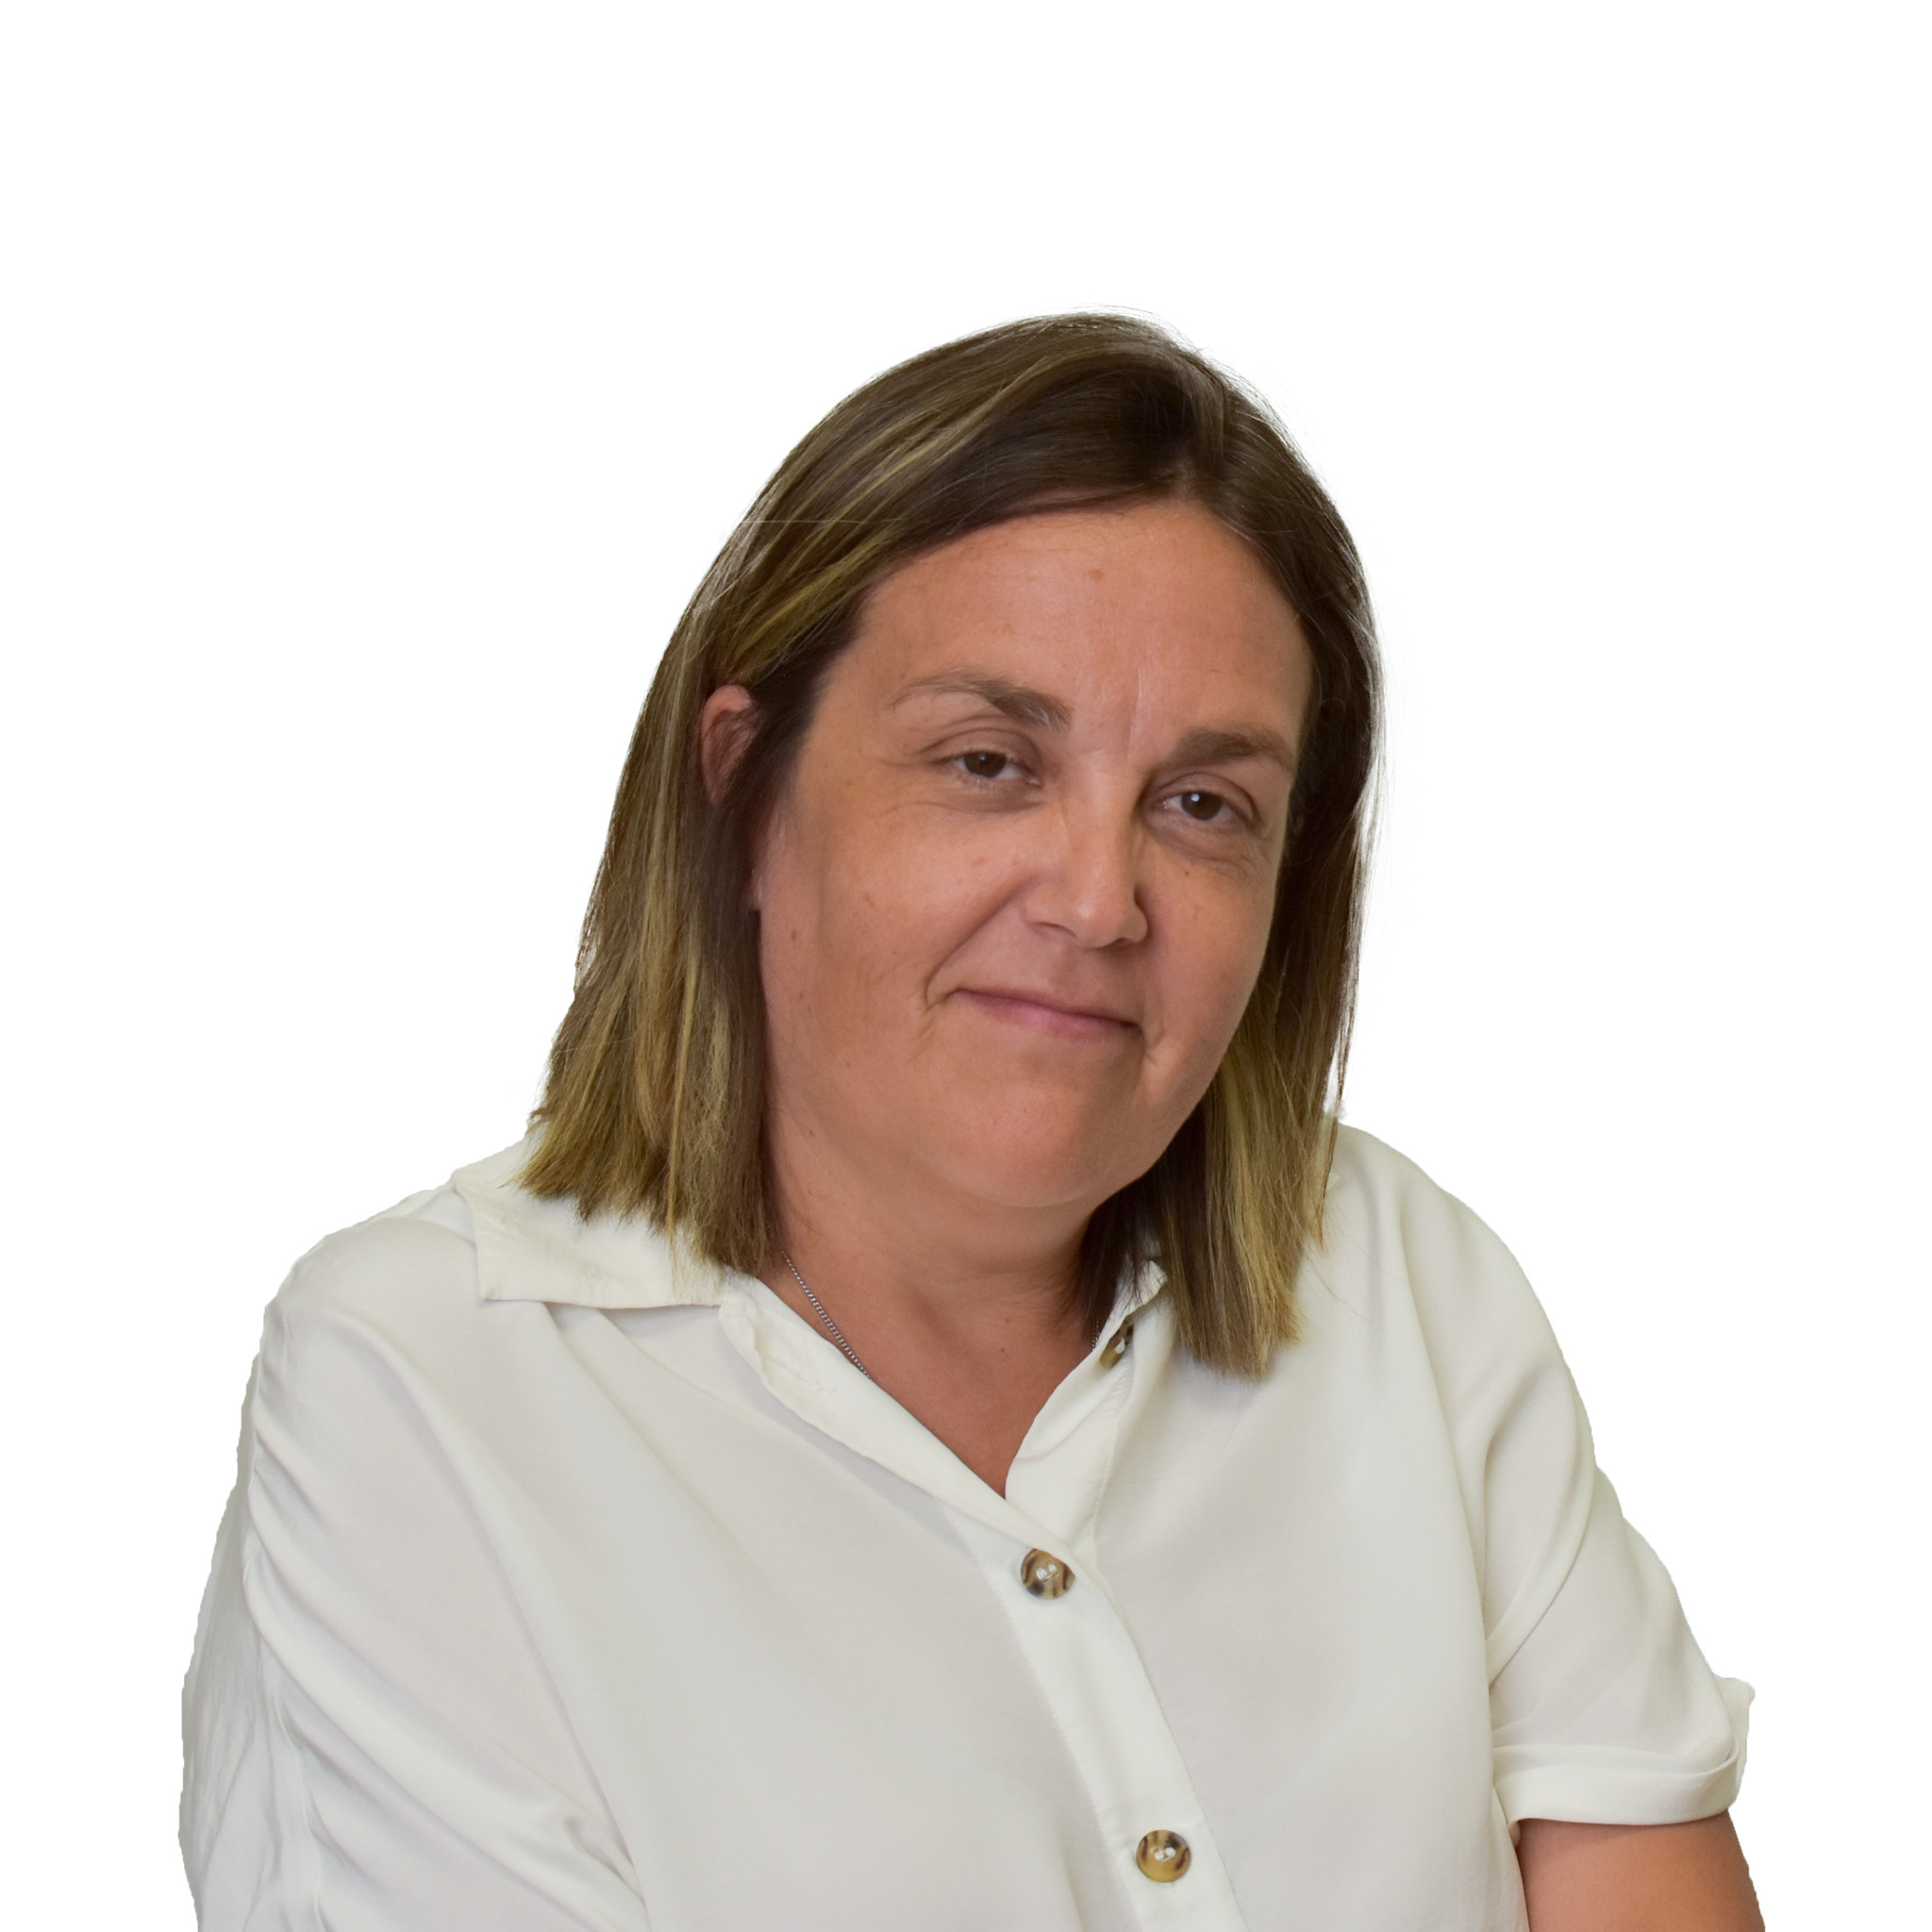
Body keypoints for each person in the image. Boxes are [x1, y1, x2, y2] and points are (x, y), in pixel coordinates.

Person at [181, 314, 1760, 1930]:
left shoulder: (1399, 1279)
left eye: (1201, 804)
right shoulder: (423, 1387)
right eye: (990, 762)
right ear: (743, 790)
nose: (1098, 901)